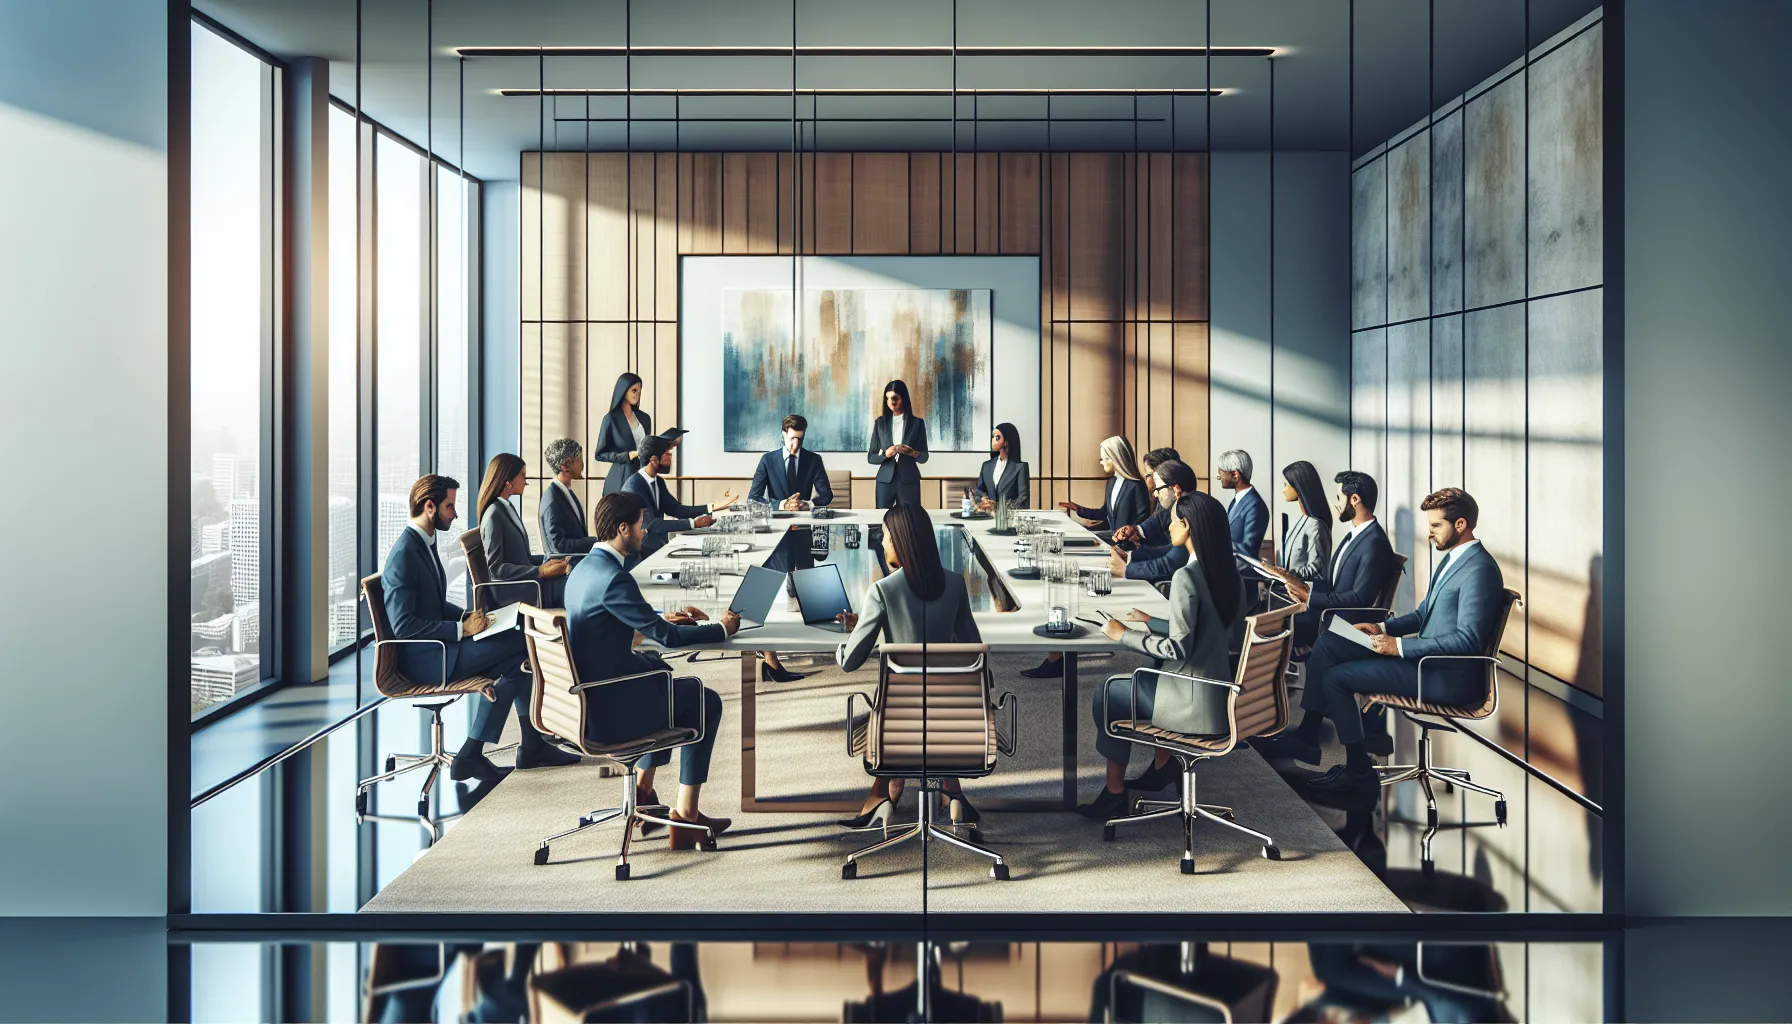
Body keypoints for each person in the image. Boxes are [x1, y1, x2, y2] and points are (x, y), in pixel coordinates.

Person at [1254, 488, 1505, 802]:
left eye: (1436, 526)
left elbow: (1468, 641)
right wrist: (1381, 627)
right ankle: (1308, 737)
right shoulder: (1455, 559)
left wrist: (1397, 646)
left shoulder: (1479, 570)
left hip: (1444, 677)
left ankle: (1358, 770)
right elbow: (1423, 614)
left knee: (1337, 678)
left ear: (1461, 525)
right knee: (1333, 641)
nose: (1429, 533)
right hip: (1425, 662)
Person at [563, 492, 740, 847]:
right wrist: (722, 629)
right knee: (704, 700)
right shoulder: (616, 579)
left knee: (663, 679)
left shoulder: (584, 570)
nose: (646, 532)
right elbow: (671, 639)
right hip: (611, 710)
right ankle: (686, 818)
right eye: (641, 526)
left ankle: (643, 792)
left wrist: (656, 618)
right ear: (622, 528)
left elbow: (610, 622)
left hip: (586, 700)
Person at [380, 475, 577, 782]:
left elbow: (433, 603)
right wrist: (461, 631)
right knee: (522, 646)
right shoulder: (404, 555)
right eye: (449, 506)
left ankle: (522, 746)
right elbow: (404, 626)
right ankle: (488, 751)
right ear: (429, 507)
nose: (455, 514)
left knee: (518, 655)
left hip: (443, 646)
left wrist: (468, 617)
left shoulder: (423, 544)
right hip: (429, 659)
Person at [1077, 491, 1244, 820]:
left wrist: (1123, 635)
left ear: (1189, 526)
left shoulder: (1186, 577)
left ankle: (1113, 795)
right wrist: (1152, 621)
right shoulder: (1230, 574)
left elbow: (1177, 648)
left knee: (1108, 693)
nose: (1168, 527)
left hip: (1190, 704)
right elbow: (1207, 628)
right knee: (1139, 680)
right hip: (1220, 696)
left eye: (1173, 521)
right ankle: (1163, 768)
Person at [834, 502, 985, 827]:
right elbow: (973, 651)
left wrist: (846, 640)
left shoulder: (882, 591)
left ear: (901, 541)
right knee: (929, 704)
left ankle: (885, 794)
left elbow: (850, 661)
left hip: (898, 725)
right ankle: (952, 795)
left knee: (894, 706)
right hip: (952, 719)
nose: (884, 543)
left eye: (887, 536)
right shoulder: (955, 585)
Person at [1021, 446, 1179, 680]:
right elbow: (1146, 525)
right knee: (1068, 576)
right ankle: (1061, 650)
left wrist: (1129, 558)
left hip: (1145, 566)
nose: (1149, 483)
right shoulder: (1156, 499)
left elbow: (1168, 553)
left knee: (1075, 578)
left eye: (1150, 475)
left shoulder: (1176, 507)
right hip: (1130, 553)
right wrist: (1133, 531)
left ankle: (1067, 648)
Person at [1270, 470, 1400, 650]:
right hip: (1327, 613)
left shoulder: (1374, 543)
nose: (1336, 504)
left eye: (1340, 497)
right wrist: (1304, 595)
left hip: (1341, 622)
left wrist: (1310, 598)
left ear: (1354, 500)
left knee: (1276, 627)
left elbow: (1358, 598)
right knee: (1277, 620)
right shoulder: (1356, 535)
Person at [476, 453, 571, 608]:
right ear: (508, 482)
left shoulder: (506, 508)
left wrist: (548, 561)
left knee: (570, 580)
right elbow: (495, 569)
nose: (526, 481)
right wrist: (540, 571)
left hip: (527, 582)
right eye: (522, 475)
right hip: (513, 591)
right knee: (571, 586)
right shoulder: (493, 515)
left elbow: (521, 558)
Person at [620, 434, 736, 561]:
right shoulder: (634, 487)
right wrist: (694, 523)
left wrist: (711, 506)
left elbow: (676, 509)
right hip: (641, 552)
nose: (671, 459)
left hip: (658, 545)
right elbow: (652, 525)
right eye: (668, 454)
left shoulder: (658, 481)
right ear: (654, 460)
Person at [1107, 459, 1200, 585]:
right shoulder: (1193, 504)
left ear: (1176, 489)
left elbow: (1169, 564)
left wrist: (1125, 570)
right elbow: (1168, 551)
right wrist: (1129, 557)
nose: (1155, 494)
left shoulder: (1187, 512)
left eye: (1158, 488)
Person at [1058, 435, 1150, 533]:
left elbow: (1143, 517)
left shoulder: (1136, 484)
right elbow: (1105, 513)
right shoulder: (1111, 482)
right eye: (1101, 459)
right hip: (1112, 538)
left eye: (1106, 458)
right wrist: (1079, 510)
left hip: (1129, 542)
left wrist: (1128, 534)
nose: (1102, 462)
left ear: (1118, 458)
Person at [866, 379, 929, 509]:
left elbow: (924, 457)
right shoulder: (880, 423)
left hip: (909, 480)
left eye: (895, 398)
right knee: (881, 520)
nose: (891, 402)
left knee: (910, 521)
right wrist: (885, 454)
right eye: (888, 399)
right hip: (884, 480)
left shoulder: (917, 423)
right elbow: (871, 457)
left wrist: (912, 453)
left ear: (904, 398)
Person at [748, 414, 834, 509]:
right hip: (776, 518)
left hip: (803, 518)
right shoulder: (767, 460)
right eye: (792, 438)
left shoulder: (814, 460)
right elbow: (753, 499)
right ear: (783, 435)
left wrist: (807, 504)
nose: (796, 445)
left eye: (800, 439)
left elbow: (826, 495)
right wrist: (782, 505)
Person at [1274, 459, 1333, 583]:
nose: (1283, 490)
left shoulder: (1315, 525)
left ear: (1298, 485)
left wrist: (1286, 574)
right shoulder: (1301, 520)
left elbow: (1318, 571)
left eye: (1286, 485)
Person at [593, 372, 652, 496]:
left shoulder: (645, 418)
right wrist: (627, 455)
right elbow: (600, 454)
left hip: (643, 475)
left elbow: (648, 447)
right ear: (623, 390)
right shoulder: (611, 419)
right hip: (620, 480)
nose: (637, 395)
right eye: (634, 390)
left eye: (639, 391)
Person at [538, 437, 597, 559]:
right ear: (565, 465)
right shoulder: (552, 499)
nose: (582, 464)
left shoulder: (566, 492)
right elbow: (558, 546)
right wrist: (595, 542)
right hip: (564, 571)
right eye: (579, 459)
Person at [1216, 449, 1269, 559]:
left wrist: (1214, 542)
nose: (1219, 478)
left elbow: (1249, 549)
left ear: (1235, 475)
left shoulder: (1255, 506)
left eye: (1221, 474)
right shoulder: (1237, 500)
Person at [970, 422, 1030, 510]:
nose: (993, 440)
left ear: (1006, 441)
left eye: (997, 437)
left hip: (1008, 519)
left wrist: (998, 506)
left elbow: (1023, 501)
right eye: (992, 437)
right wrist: (983, 500)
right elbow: (979, 492)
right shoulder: (986, 466)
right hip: (986, 516)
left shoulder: (1020, 467)